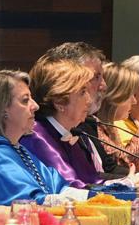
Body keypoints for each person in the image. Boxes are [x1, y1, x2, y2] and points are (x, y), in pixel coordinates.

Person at [0, 68, 87, 205]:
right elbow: (26, 203)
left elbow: (62, 189)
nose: (35, 106)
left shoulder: (18, 149)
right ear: (1, 109)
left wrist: (101, 197)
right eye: (25, 100)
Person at [41, 41, 129, 178]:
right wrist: (131, 182)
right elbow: (76, 183)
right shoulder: (40, 134)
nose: (104, 86)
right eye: (96, 77)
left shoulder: (85, 124)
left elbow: (104, 170)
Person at [19, 57, 106, 187]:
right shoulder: (37, 136)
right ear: (60, 102)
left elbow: (93, 182)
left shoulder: (65, 132)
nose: (89, 99)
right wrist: (128, 184)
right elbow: (72, 188)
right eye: (83, 92)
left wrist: (131, 182)